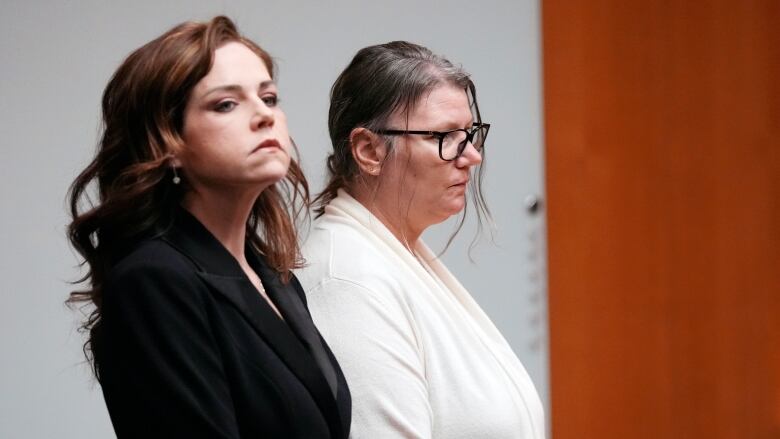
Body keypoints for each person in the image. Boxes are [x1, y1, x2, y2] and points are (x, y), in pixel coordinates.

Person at [67, 16, 350, 438]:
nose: (263, 116)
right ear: (168, 144)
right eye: (225, 104)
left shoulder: (276, 279)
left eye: (269, 98)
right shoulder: (155, 280)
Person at [294, 41, 545, 438]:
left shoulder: (394, 258)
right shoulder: (347, 280)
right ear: (368, 150)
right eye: (444, 136)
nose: (472, 156)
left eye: (470, 133)